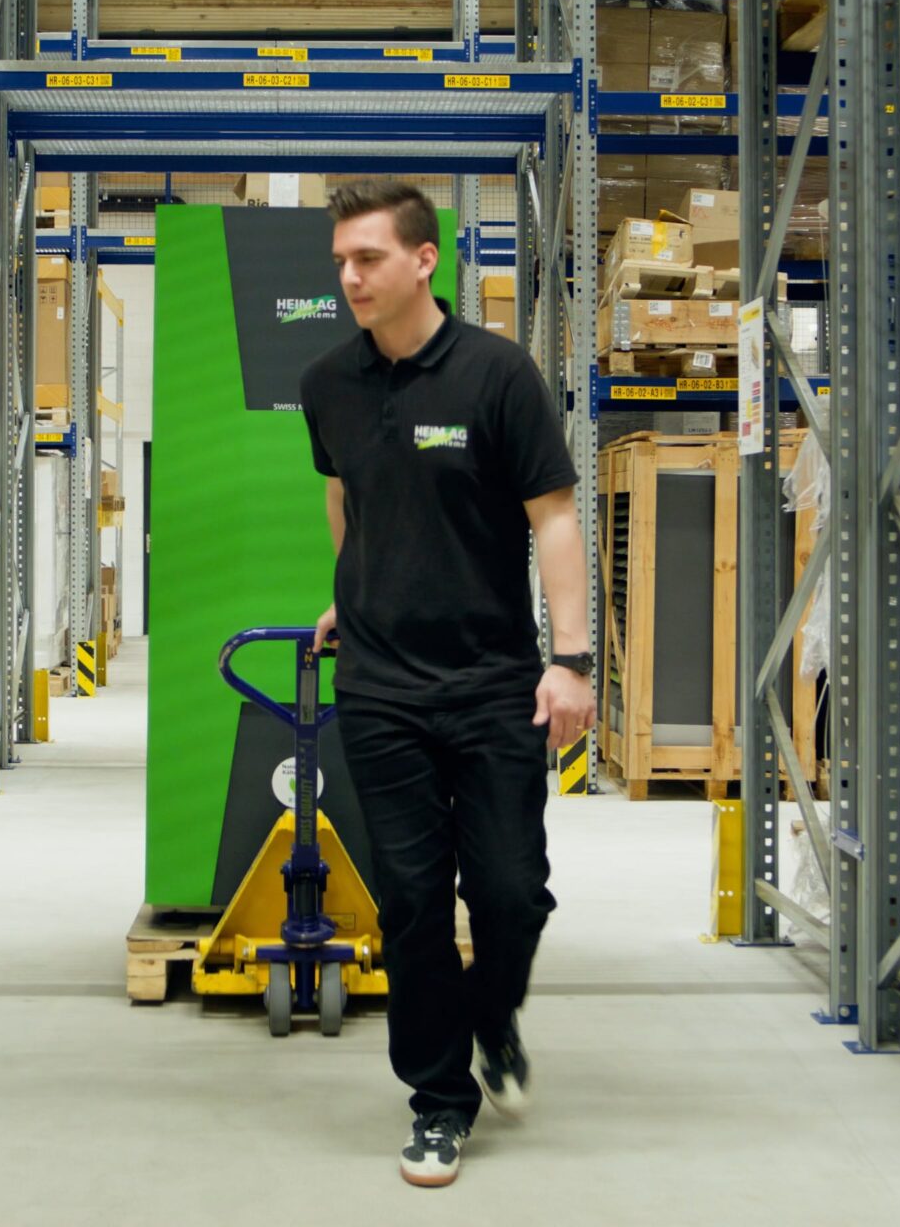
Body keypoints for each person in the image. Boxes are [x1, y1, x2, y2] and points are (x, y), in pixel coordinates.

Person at [297, 179, 595, 1188]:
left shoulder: (497, 375)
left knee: (510, 892)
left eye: (368, 258)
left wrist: (571, 660)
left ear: (425, 259)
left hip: (492, 680)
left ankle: (494, 1014)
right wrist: (352, 588)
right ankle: (437, 1099)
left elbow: (555, 517)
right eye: (341, 261)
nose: (350, 278)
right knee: (412, 904)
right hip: (380, 687)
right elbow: (347, 494)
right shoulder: (328, 383)